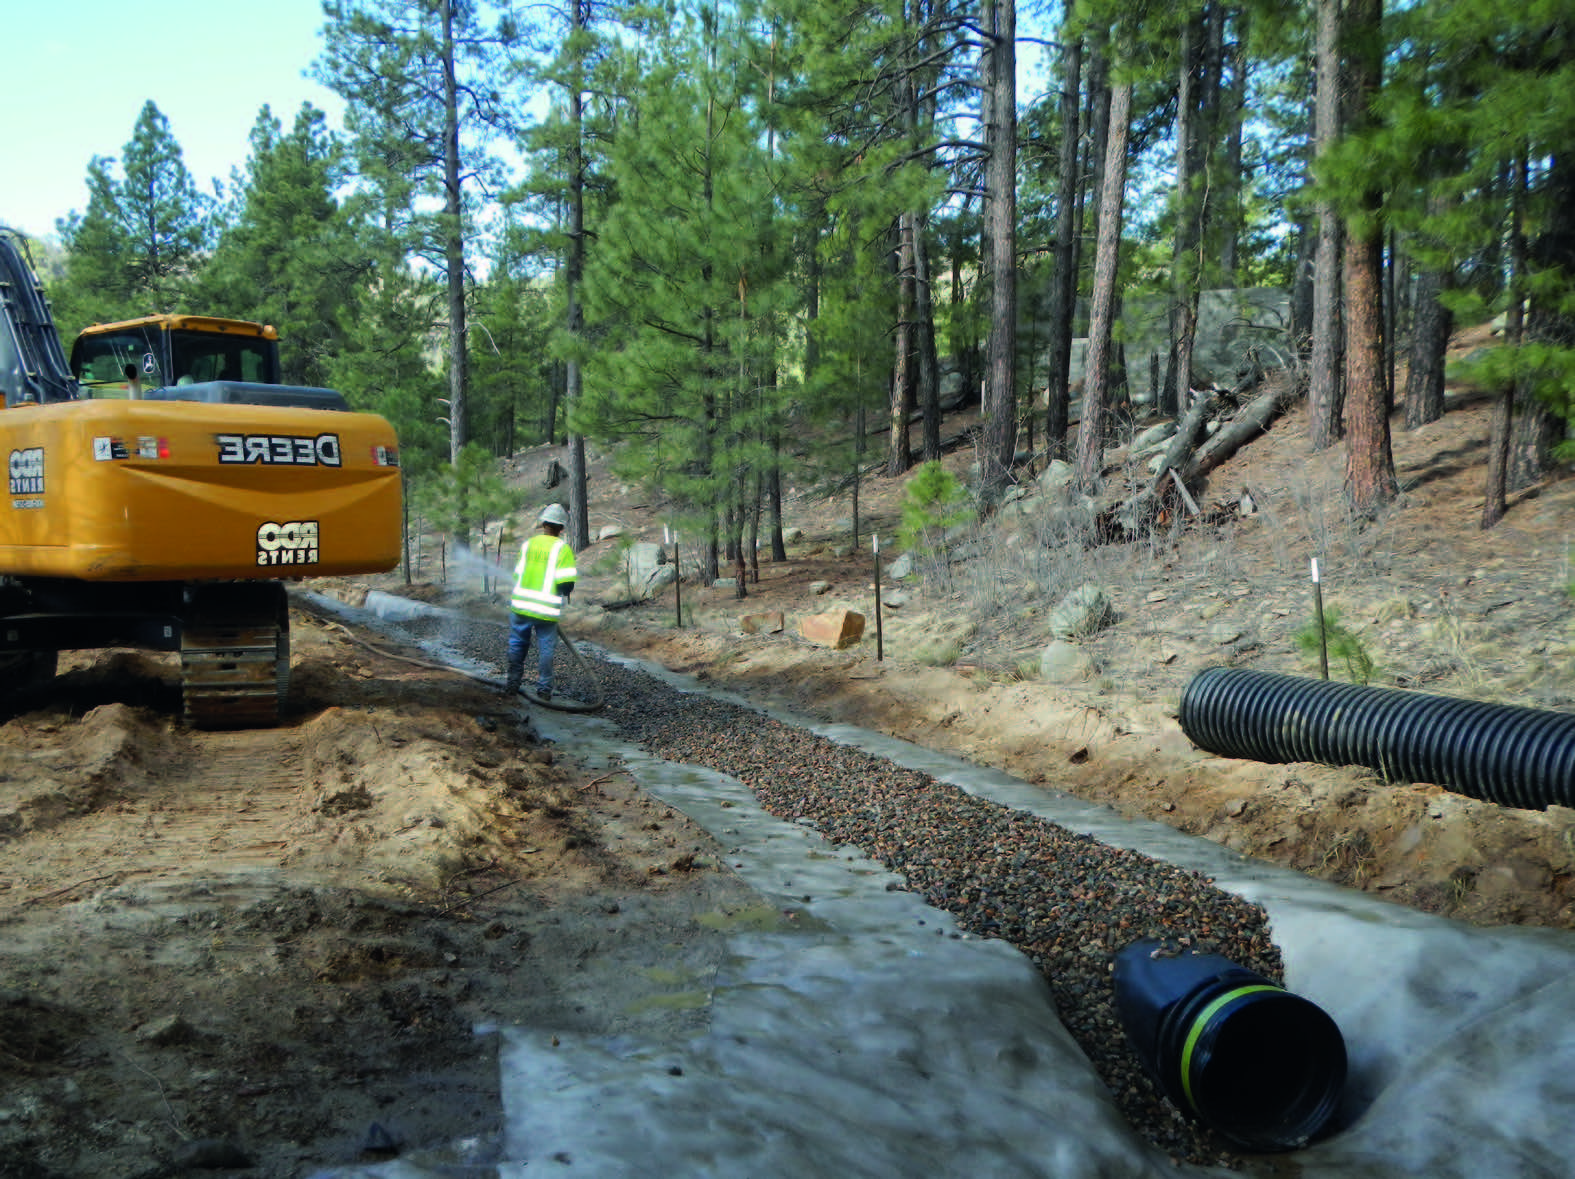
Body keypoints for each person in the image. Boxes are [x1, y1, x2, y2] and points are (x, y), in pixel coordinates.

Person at [503, 503, 577, 699]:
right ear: (561, 528)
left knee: (517, 644)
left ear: (543, 523)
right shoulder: (562, 549)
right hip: (545, 611)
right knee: (546, 649)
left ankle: (512, 683)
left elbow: (517, 575)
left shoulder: (527, 545)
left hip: (520, 607)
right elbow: (566, 584)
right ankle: (544, 689)